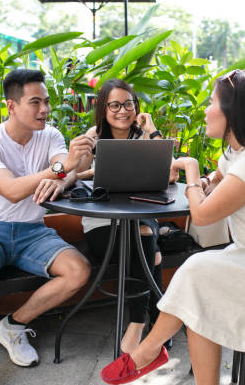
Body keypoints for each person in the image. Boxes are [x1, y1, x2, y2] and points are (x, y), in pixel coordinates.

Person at [100, 70, 245, 385]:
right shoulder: (243, 153)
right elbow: (222, 174)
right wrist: (209, 181)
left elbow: (203, 215)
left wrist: (192, 169)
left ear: (233, 111)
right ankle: (161, 358)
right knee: (200, 292)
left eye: (213, 102)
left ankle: (147, 351)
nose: (208, 110)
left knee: (198, 271)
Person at [0, 68, 95, 385]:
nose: (45, 109)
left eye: (46, 101)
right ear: (11, 106)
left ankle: (13, 325)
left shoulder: (51, 135)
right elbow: (12, 189)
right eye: (35, 102)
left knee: (79, 271)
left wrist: (63, 179)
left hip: (33, 231)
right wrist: (61, 170)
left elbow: (68, 169)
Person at [77, 79, 170, 354]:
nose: (123, 110)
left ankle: (137, 324)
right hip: (102, 223)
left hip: (142, 213)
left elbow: (169, 170)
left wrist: (152, 130)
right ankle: (151, 319)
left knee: (144, 235)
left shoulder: (143, 137)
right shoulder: (94, 136)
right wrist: (94, 169)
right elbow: (73, 172)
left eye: (128, 103)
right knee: (151, 253)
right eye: (115, 105)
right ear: (104, 109)